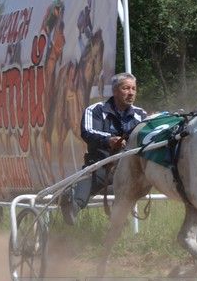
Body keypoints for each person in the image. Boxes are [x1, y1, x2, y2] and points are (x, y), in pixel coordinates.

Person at [60, 72, 146, 225]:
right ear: (115, 91)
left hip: (126, 169)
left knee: (139, 181)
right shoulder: (96, 110)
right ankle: (72, 205)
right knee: (89, 176)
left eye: (134, 89)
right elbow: (87, 132)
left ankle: (118, 215)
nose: (131, 93)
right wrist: (109, 140)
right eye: (126, 88)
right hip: (100, 165)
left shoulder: (141, 114)